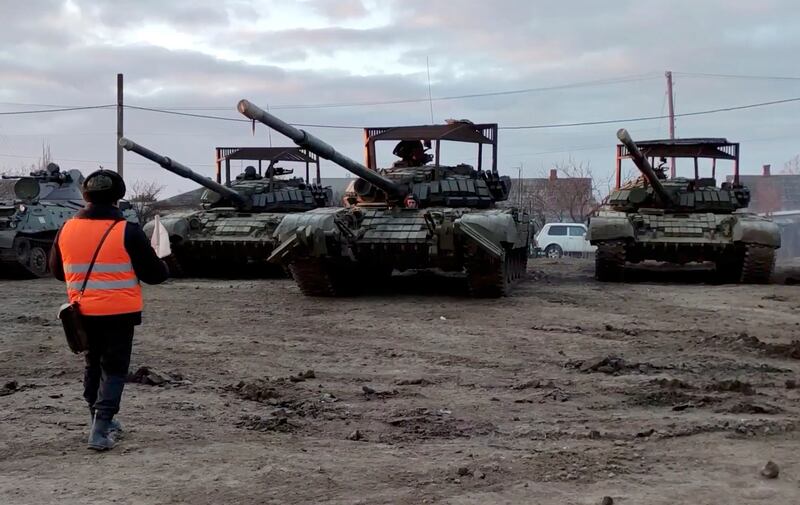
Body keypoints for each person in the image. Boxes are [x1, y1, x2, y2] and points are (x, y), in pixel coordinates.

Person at [49, 169, 169, 451]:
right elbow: (154, 275)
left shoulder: (66, 229)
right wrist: (164, 261)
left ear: (85, 196)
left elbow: (56, 272)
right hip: (119, 314)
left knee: (93, 364)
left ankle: (97, 420)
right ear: (118, 198)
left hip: (81, 312)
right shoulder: (127, 231)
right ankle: (101, 430)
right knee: (114, 369)